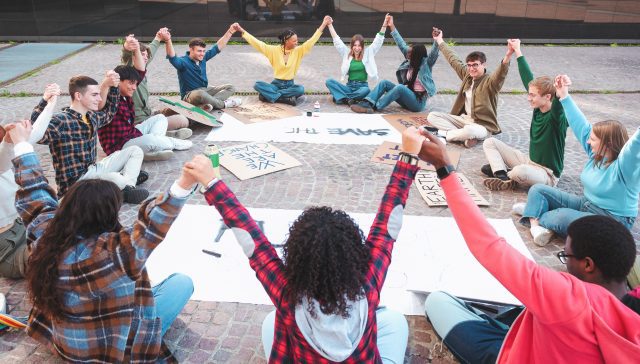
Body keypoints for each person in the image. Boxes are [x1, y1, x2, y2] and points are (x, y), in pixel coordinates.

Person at [185, 127, 428, 363]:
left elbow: (253, 241)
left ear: (297, 260)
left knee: (273, 321)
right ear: (354, 257)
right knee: (394, 320)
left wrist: (212, 183)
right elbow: (387, 227)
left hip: (295, 338)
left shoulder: (287, 296)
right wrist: (408, 155)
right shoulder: (369, 283)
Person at [409, 127, 640, 363]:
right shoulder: (631, 305)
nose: (563, 264)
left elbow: (489, 246)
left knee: (437, 301)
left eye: (565, 256)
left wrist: (444, 168)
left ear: (588, 265)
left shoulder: (566, 296)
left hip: (512, 355)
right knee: (518, 313)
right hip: (543, 335)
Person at [8, 120, 194, 362]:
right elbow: (153, 225)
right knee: (181, 283)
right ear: (107, 215)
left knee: (146, 285)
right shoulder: (114, 254)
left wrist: (22, 144)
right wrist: (184, 184)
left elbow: (34, 191)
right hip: (113, 350)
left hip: (66, 343)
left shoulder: (45, 232)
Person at [518, 74, 639, 246]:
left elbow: (635, 146)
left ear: (608, 144)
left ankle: (534, 216)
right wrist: (564, 94)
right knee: (538, 190)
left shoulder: (626, 166)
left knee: (561, 216)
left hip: (613, 220)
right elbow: (579, 123)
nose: (588, 142)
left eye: (593, 140)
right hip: (586, 204)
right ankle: (536, 214)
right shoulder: (596, 154)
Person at [31, 73, 149, 204]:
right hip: (76, 185)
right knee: (117, 179)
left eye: (98, 94)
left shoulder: (91, 116)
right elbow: (36, 134)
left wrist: (113, 85)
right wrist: (45, 100)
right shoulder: (61, 121)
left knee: (135, 151)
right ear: (78, 96)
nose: (99, 99)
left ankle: (128, 187)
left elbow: (110, 113)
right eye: (94, 95)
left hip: (93, 170)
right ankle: (124, 182)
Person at [481, 39, 568, 191]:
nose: (529, 98)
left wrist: (562, 89)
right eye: (529, 94)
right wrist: (517, 50)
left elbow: (559, 104)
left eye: (533, 95)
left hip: (547, 174)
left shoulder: (556, 117)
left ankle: (508, 174)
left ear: (548, 97)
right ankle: (501, 174)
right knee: (490, 143)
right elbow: (527, 77)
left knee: (519, 171)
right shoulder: (538, 107)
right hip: (529, 162)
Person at [0, 84, 59, 281]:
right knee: (53, 254)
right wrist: (11, 142)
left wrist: (50, 102)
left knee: (71, 224)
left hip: (25, 228)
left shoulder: (5, 155)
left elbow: (33, 133)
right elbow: (5, 156)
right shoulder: (3, 157)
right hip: (9, 251)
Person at [427, 28, 511, 148]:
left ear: (483, 64)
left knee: (470, 131)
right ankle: (465, 139)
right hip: (464, 120)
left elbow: (501, 74)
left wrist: (508, 54)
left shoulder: (490, 82)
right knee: (432, 116)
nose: (471, 68)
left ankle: (445, 134)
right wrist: (439, 40)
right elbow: (453, 59)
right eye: (469, 65)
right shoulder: (467, 75)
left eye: (475, 65)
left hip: (482, 127)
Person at [98, 62, 193, 161]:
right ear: (118, 81)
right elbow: (100, 105)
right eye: (131, 83)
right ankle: (169, 142)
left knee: (160, 118)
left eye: (135, 84)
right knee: (150, 140)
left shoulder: (127, 94)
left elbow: (141, 71)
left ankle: (155, 147)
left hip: (132, 134)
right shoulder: (110, 96)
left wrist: (137, 49)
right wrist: (106, 82)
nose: (134, 87)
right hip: (119, 147)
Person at [350, 15, 438, 114]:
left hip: (417, 103)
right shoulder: (411, 59)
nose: (407, 53)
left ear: (417, 55)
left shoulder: (426, 64)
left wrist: (437, 40)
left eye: (410, 53)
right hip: (406, 98)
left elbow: (434, 54)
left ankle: (375, 106)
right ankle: (367, 102)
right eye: (408, 52)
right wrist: (391, 25)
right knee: (384, 83)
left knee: (400, 88)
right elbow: (400, 43)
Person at [237, 16, 332, 106]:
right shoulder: (273, 50)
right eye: (294, 41)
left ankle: (270, 96)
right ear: (286, 41)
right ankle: (285, 99)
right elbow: (257, 43)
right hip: (276, 84)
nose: (297, 42)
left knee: (300, 89)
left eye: (297, 40)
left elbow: (312, 40)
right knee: (257, 85)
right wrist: (242, 31)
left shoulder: (298, 51)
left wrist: (323, 24)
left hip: (290, 86)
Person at [121, 29, 191, 139]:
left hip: (149, 114)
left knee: (177, 108)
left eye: (145, 55)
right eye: (142, 55)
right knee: (183, 121)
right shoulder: (128, 71)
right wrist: (127, 45)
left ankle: (162, 132)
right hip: (139, 122)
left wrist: (158, 37)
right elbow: (126, 55)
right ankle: (167, 135)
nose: (145, 57)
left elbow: (151, 52)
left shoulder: (141, 69)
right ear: (133, 56)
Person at [166, 26, 242, 112]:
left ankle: (209, 104)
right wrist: (168, 40)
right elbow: (172, 57)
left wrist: (230, 31)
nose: (202, 54)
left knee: (230, 87)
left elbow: (217, 47)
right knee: (200, 94)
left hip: (205, 91)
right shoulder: (183, 62)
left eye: (203, 51)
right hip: (190, 96)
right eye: (199, 51)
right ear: (191, 49)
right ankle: (223, 104)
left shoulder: (203, 58)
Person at [324, 14, 388, 105]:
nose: (357, 48)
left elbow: (378, 41)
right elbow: (337, 41)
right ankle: (350, 99)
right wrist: (329, 25)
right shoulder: (347, 53)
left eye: (359, 46)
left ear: (362, 46)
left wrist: (385, 24)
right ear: (352, 46)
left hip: (362, 87)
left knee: (366, 91)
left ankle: (342, 98)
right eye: (355, 45)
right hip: (349, 86)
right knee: (329, 82)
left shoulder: (368, 53)